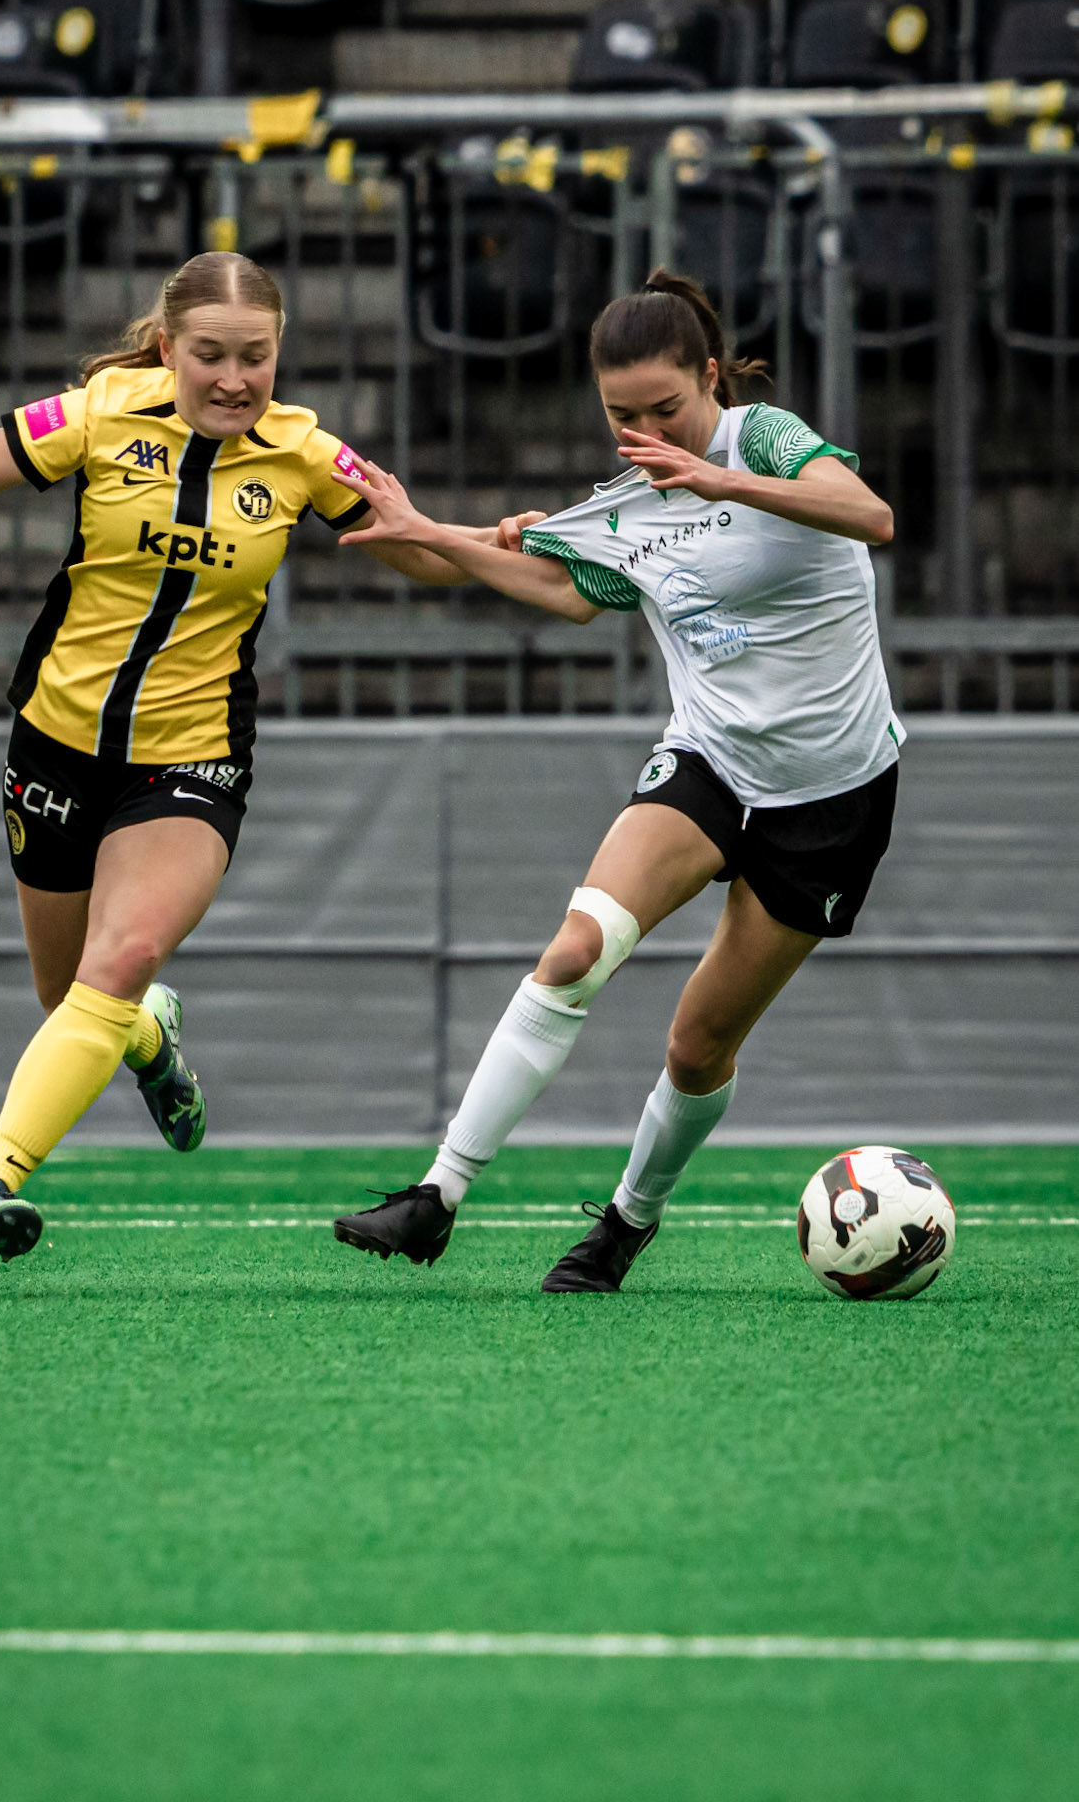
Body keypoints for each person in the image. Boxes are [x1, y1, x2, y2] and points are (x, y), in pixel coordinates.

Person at [0, 251, 474, 1271]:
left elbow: (411, 553)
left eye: (257, 357)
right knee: (75, 1001)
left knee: (123, 956)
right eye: (211, 356)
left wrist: (449, 535)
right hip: (55, 742)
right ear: (167, 349)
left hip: (190, 761)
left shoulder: (309, 454)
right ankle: (151, 1039)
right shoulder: (98, 414)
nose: (235, 379)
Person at [332, 267, 902, 1293]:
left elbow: (869, 514)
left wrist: (722, 479)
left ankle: (628, 1220)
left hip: (833, 794)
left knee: (697, 1044)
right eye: (621, 415)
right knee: (576, 949)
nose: (647, 434)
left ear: (712, 378)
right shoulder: (629, 509)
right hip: (710, 763)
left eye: (667, 409)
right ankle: (437, 1193)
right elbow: (553, 584)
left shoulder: (761, 439)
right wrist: (420, 528)